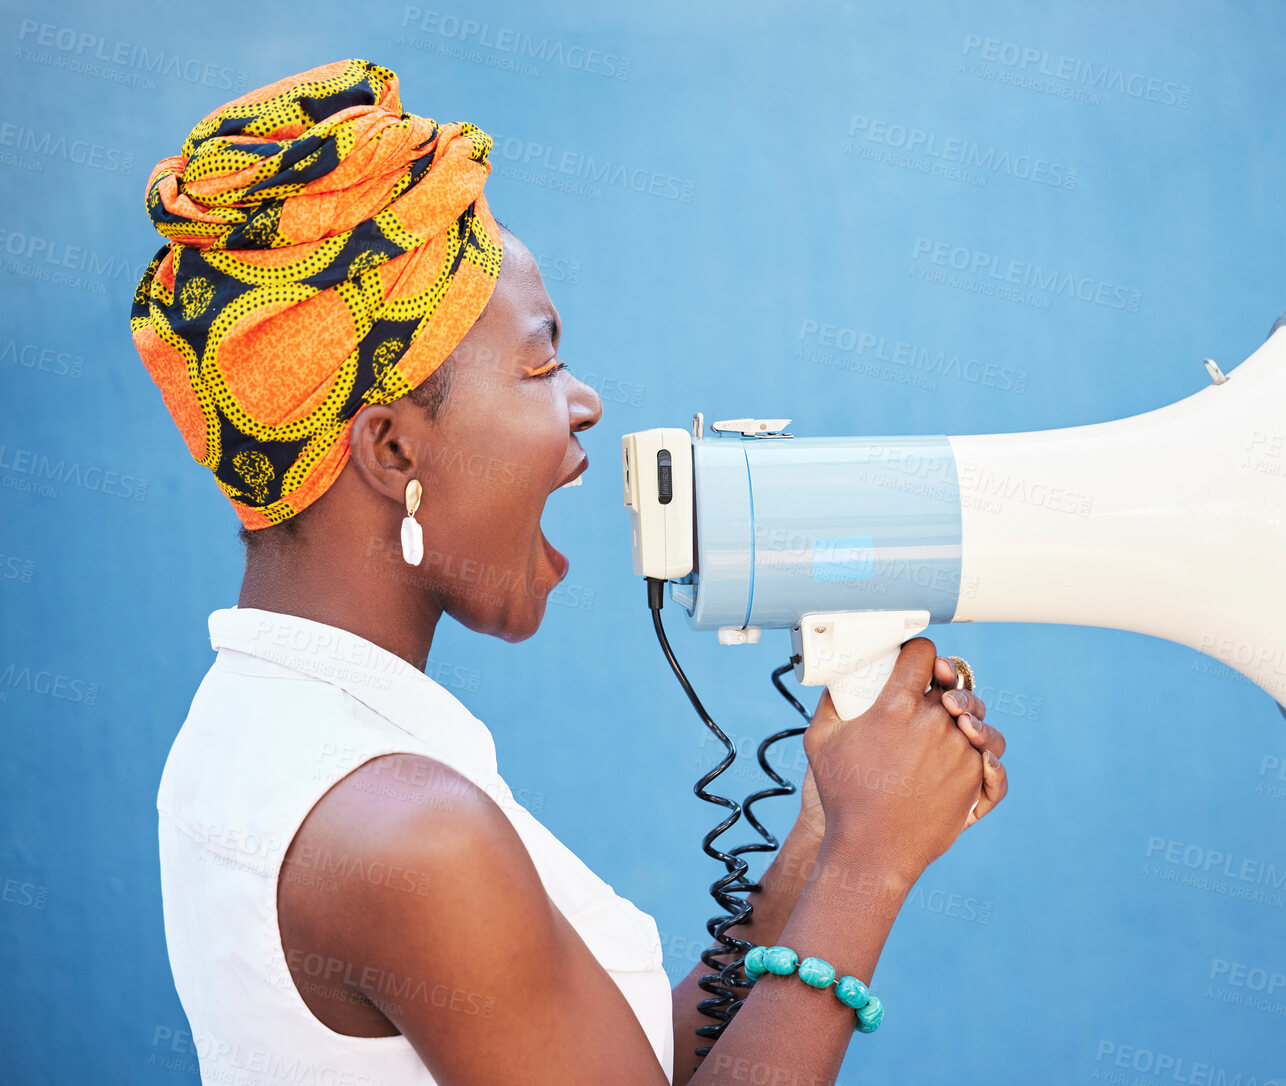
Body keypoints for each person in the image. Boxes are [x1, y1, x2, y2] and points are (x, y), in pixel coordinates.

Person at [135, 59, 1009, 1086]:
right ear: (393, 451)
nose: (585, 402)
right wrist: (869, 868)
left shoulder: (268, 731)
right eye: (542, 365)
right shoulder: (405, 833)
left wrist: (818, 840)